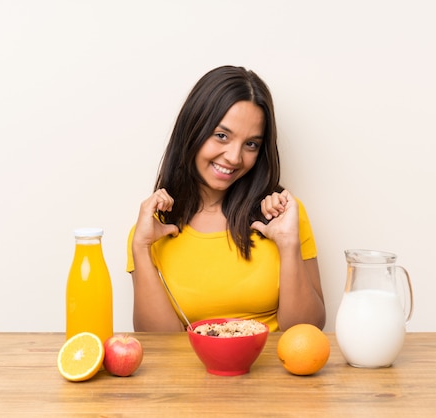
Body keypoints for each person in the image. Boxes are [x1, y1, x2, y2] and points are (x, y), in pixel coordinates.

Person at [127, 65, 325, 332]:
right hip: (188, 372)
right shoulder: (151, 229)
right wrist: (140, 247)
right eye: (221, 136)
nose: (234, 157)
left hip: (271, 371)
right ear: (192, 131)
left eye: (251, 144)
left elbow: (307, 332)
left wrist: (288, 245)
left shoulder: (284, 215)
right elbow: (158, 344)